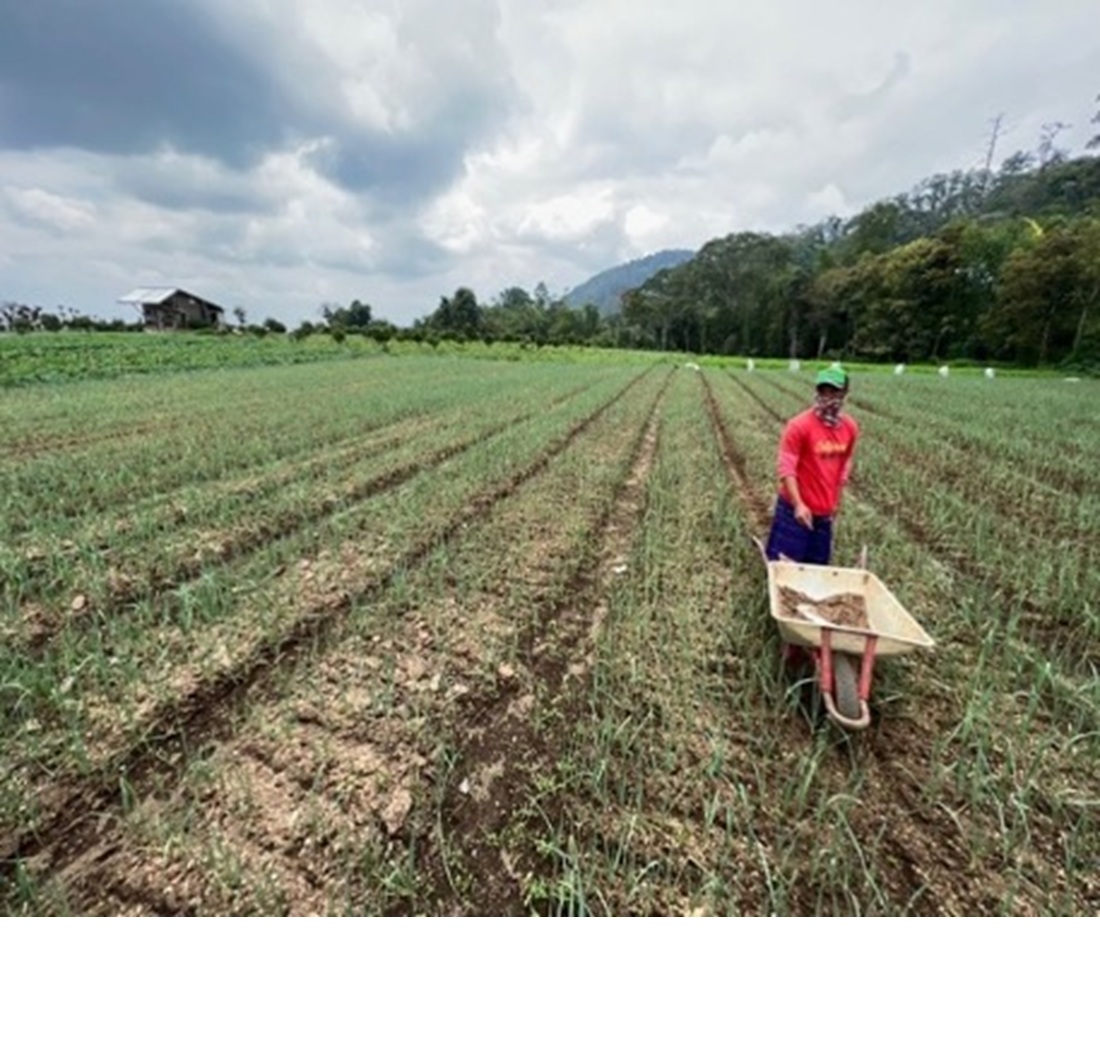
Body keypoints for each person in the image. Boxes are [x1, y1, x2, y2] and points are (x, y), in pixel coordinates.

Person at [764, 364, 858, 565]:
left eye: (834, 391)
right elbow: (786, 467)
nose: (827, 396)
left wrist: (836, 498)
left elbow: (846, 460)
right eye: (823, 390)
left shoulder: (850, 428)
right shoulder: (799, 426)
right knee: (785, 564)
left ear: (845, 393)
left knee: (816, 567)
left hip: (824, 512)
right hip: (794, 509)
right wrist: (798, 504)